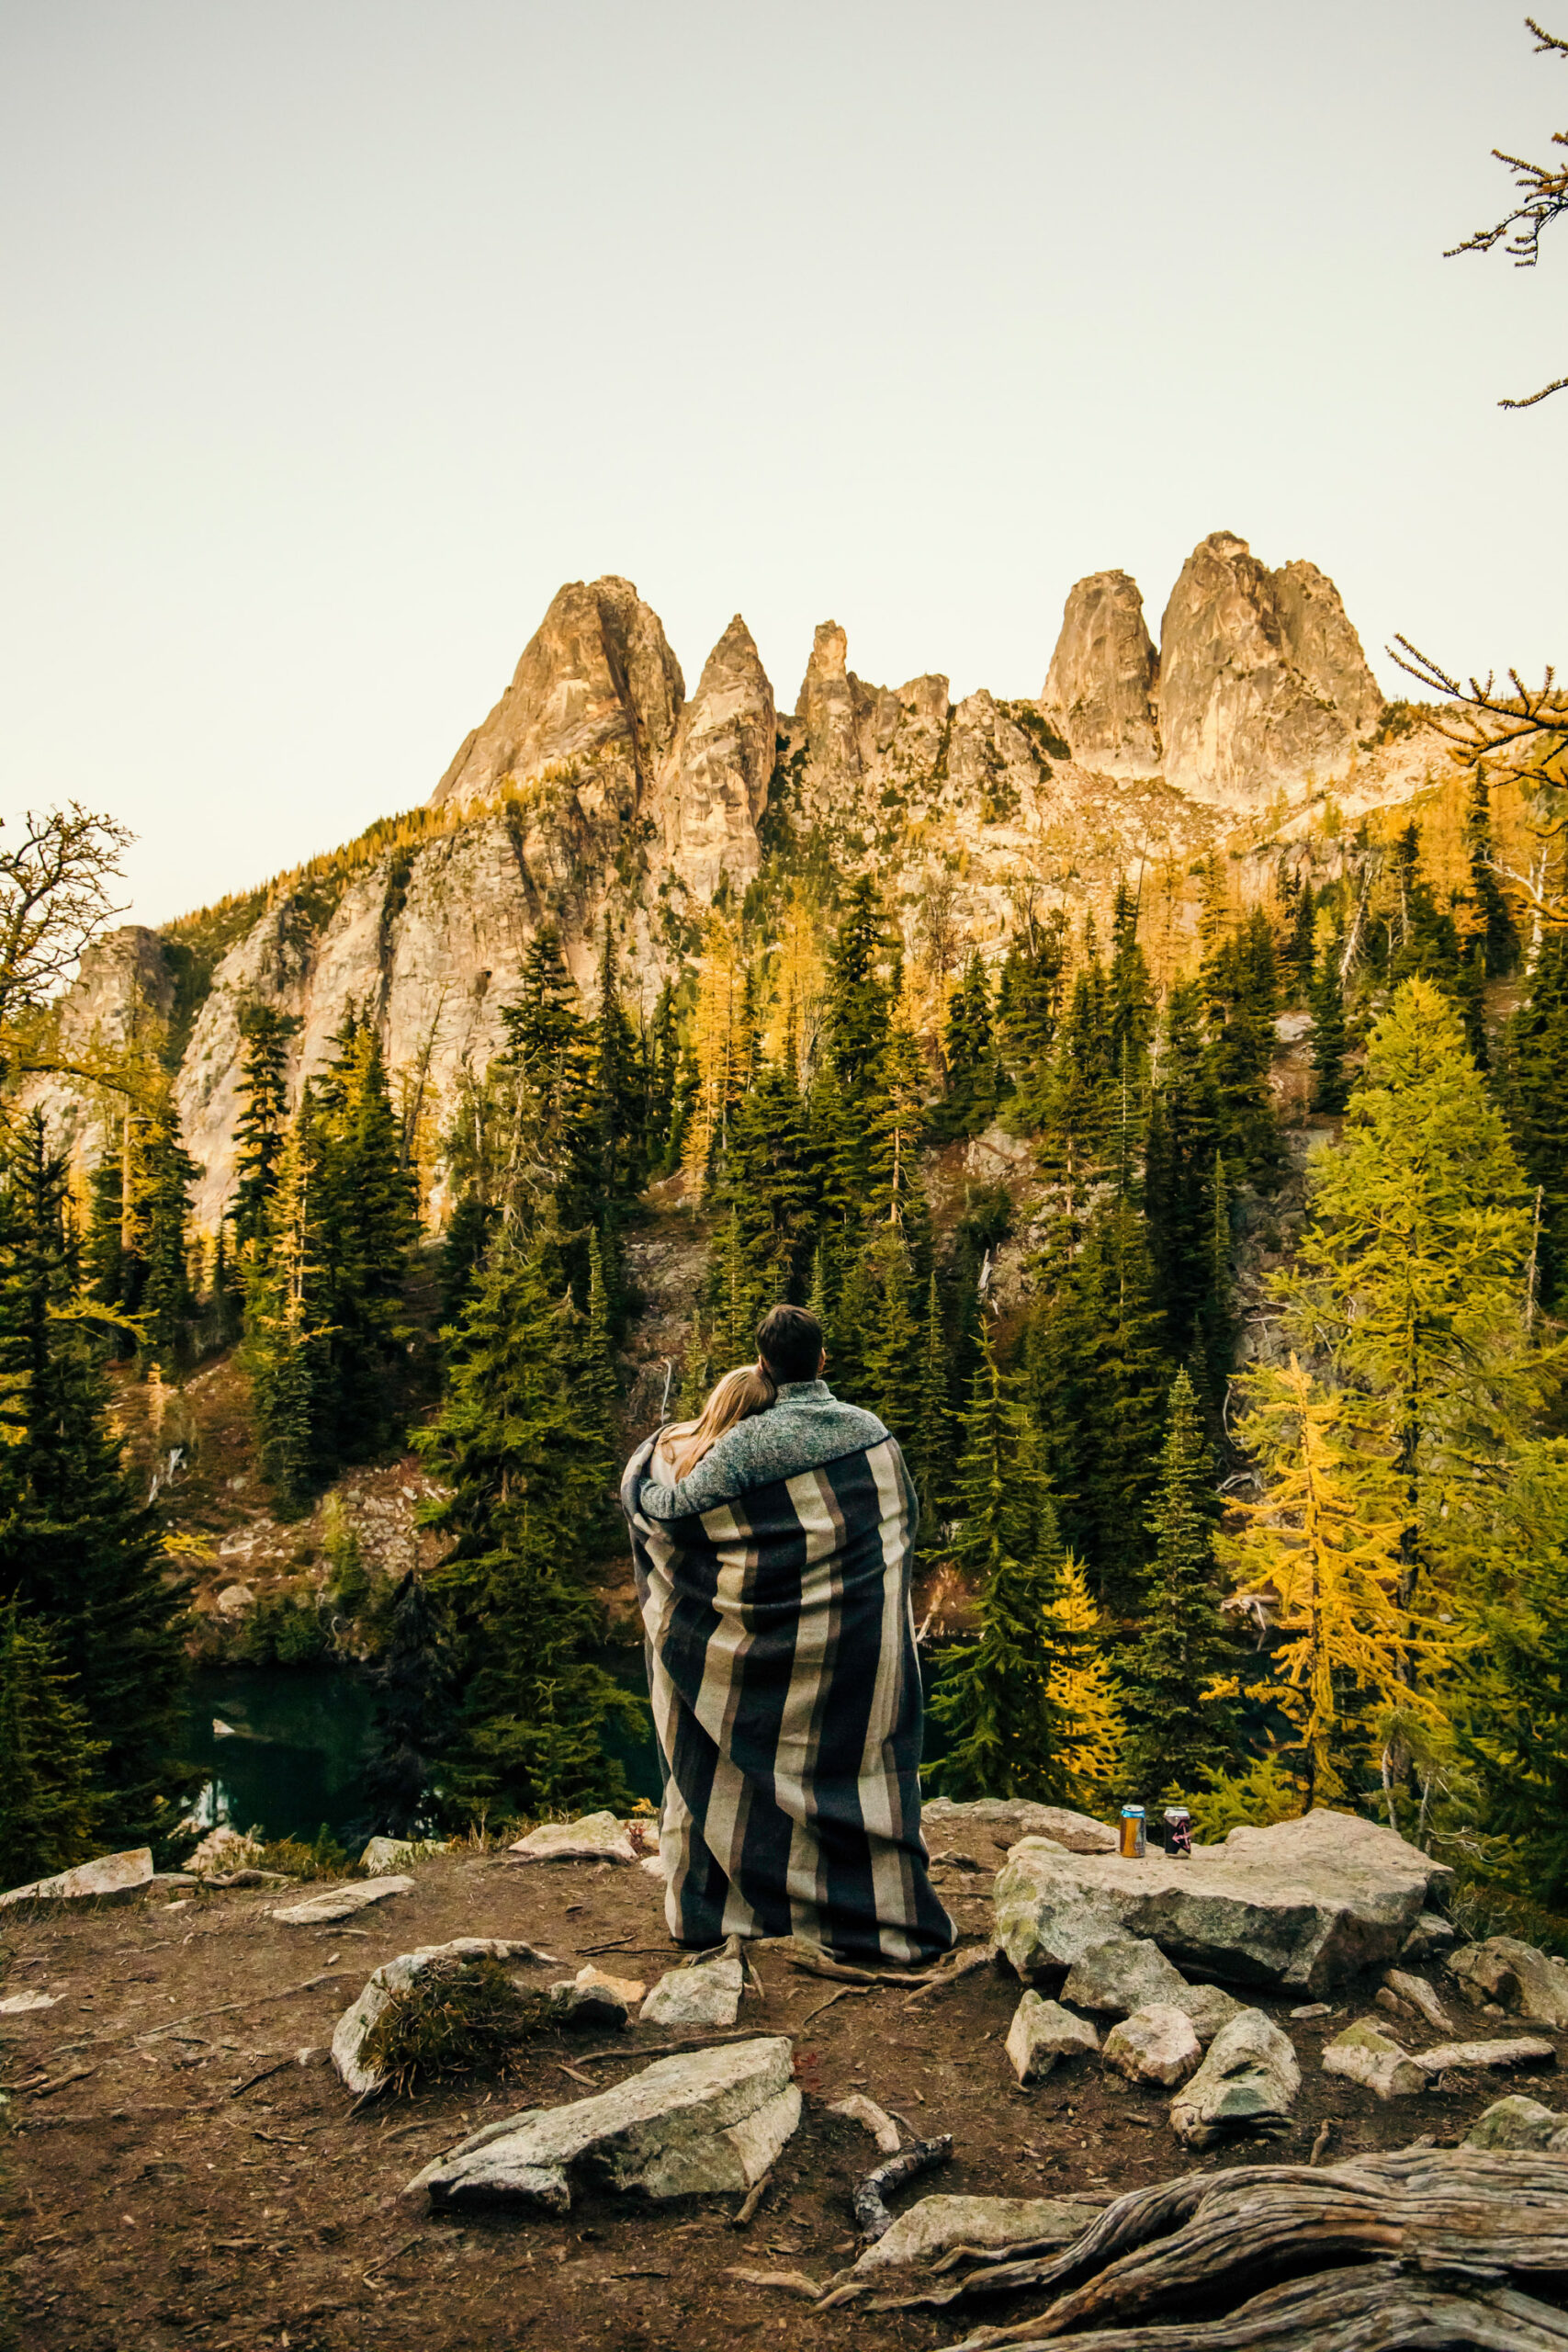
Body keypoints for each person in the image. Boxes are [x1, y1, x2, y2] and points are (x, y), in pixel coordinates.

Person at [620, 1303, 954, 1965]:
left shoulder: (744, 1445)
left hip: (760, 1654)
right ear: (821, 1361)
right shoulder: (870, 1432)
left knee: (742, 1773)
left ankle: (737, 1905)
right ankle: (874, 1908)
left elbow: (677, 1513)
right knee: (849, 1767)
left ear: (763, 1363)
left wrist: (639, 1477)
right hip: (854, 1644)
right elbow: (897, 1524)